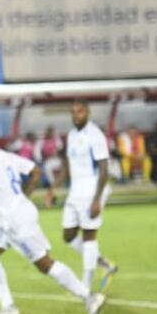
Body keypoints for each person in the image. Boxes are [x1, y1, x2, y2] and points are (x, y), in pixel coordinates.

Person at [0, 123, 105, 314]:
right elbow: (35, 171)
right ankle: (8, 306)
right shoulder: (2, 154)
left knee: (45, 264)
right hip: (10, 217)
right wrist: (23, 199)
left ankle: (89, 297)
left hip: (17, 222)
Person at [55, 100, 119, 292]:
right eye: (73, 112)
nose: (76, 116)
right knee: (68, 236)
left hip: (91, 191)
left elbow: (104, 168)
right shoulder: (72, 135)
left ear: (88, 113)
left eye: (80, 112)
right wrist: (54, 188)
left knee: (89, 237)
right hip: (75, 192)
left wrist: (97, 199)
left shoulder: (96, 135)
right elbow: (68, 164)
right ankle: (104, 264)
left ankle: (86, 284)